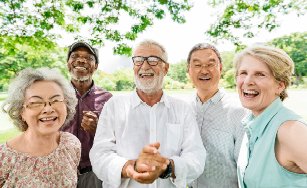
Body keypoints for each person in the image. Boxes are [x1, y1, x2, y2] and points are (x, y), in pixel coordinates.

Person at [89, 39, 206, 188]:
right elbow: (99, 156)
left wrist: (167, 167)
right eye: (138, 60)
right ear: (133, 67)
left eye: (153, 60)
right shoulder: (114, 106)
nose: (144, 66)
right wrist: (130, 168)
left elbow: (196, 158)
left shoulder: (182, 109)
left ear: (166, 68)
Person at [235, 45, 307, 188]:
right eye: (243, 73)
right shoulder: (252, 124)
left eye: (260, 74)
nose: (247, 81)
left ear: (280, 86)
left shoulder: (290, 130)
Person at [0, 67, 81, 187]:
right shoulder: (4, 157)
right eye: (35, 103)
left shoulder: (71, 144)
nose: (48, 109)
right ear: (21, 111)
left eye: (56, 100)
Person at [186, 43, 247, 188]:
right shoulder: (184, 109)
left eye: (210, 64)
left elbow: (246, 168)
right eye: (197, 65)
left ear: (220, 68)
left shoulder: (239, 111)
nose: (204, 70)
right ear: (188, 70)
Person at [61, 41, 112, 187]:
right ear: (68, 63)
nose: (81, 60)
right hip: (61, 170)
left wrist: (98, 129)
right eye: (75, 56)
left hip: (94, 173)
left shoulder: (108, 99)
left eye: (89, 58)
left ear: (95, 66)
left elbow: (117, 140)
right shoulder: (56, 95)